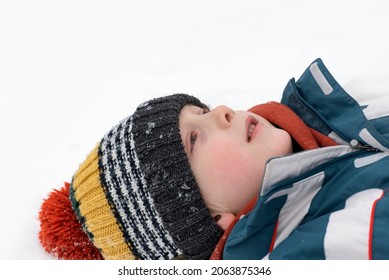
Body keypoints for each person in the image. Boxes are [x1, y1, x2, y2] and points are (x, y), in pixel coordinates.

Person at [39, 58, 389, 260]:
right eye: (194, 139)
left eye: (201, 111)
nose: (221, 111)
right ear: (209, 217)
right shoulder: (313, 251)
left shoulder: (335, 110)